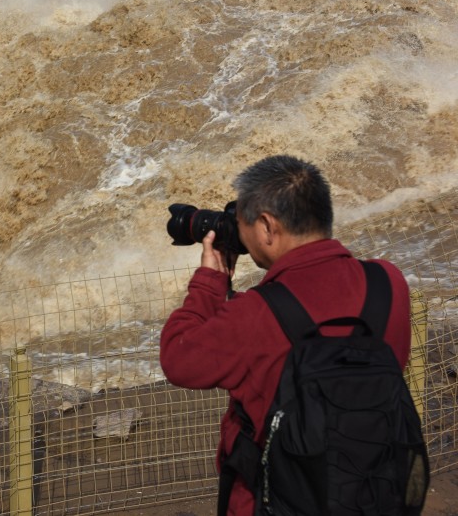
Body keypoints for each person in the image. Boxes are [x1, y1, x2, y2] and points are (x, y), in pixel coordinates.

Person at [159, 154, 412, 516]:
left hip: (275, 500)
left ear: (266, 226)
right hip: (372, 492)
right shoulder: (388, 282)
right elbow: (319, 314)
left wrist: (209, 284)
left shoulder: (254, 315)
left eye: (241, 223)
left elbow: (179, 359)